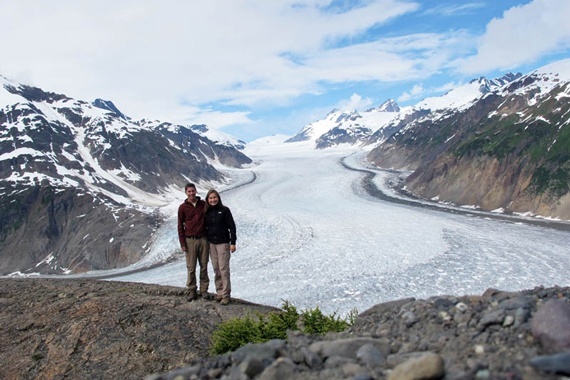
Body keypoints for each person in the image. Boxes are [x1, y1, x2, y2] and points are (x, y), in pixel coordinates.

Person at [177, 183, 210, 302]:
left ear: (196, 191)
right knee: (191, 267)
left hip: (203, 239)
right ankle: (191, 290)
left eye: (193, 191)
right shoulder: (182, 208)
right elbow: (180, 226)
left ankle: (204, 290)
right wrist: (182, 243)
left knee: (204, 265)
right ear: (186, 192)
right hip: (190, 240)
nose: (191, 193)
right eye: (189, 191)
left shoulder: (203, 204)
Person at [204, 189, 236, 305]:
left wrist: (233, 242)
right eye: (211, 198)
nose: (213, 200)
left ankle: (226, 294)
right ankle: (219, 292)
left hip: (223, 243)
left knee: (224, 269)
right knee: (216, 268)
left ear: (218, 198)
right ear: (207, 200)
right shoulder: (206, 212)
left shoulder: (225, 211)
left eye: (214, 197)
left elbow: (232, 226)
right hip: (212, 243)